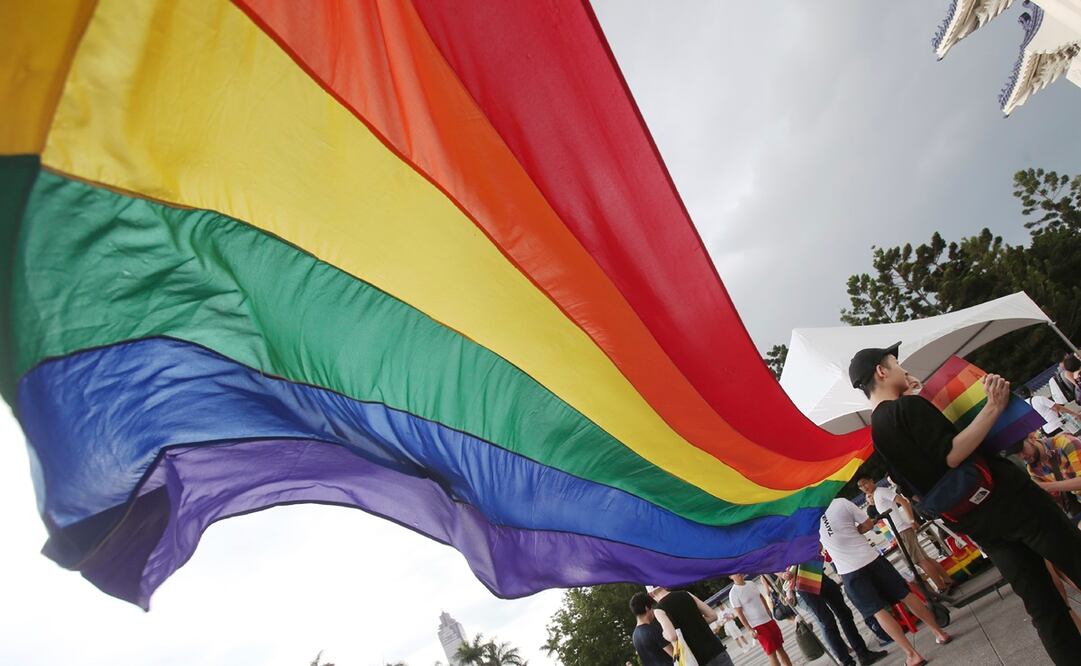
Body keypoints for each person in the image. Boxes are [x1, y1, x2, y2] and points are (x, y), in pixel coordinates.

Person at [851, 342, 1081, 666]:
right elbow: (951, 454)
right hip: (1009, 499)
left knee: (1043, 607)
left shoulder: (879, 432)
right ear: (881, 370)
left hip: (977, 521)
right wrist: (994, 406)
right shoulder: (908, 409)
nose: (902, 369)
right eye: (896, 362)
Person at [819, 496, 952, 666]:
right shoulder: (841, 502)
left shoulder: (808, 519)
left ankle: (912, 655)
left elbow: (816, 547)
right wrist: (855, 530)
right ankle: (939, 633)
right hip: (872, 558)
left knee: (878, 610)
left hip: (849, 571)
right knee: (905, 594)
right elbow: (868, 524)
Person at [857, 475, 954, 592]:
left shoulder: (881, 491)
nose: (864, 487)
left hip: (901, 529)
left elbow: (904, 501)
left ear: (871, 481)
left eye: (865, 483)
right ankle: (947, 580)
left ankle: (942, 587)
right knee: (925, 558)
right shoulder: (877, 495)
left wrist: (912, 520)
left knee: (920, 561)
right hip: (899, 530)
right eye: (861, 486)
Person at [780, 565, 887, 666]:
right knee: (828, 621)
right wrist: (782, 574)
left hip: (815, 570)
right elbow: (767, 564)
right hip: (802, 582)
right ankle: (847, 661)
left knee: (844, 613)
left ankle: (863, 653)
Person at [647, 585, 733, 666]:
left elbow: (672, 636)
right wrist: (696, 622)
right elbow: (713, 616)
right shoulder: (686, 594)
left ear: (651, 594)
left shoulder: (659, 610)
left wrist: (664, 634)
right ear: (663, 586)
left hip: (698, 659)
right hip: (717, 650)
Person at [728, 574, 792, 666]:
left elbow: (761, 597)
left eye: (739, 570)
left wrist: (768, 611)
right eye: (734, 573)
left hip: (768, 620)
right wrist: (749, 629)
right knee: (771, 653)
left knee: (780, 648)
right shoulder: (733, 593)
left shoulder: (750, 583)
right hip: (757, 625)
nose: (738, 573)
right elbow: (739, 613)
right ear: (730, 577)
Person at [629, 591, 674, 666]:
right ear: (647, 608)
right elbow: (674, 654)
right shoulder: (652, 630)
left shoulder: (634, 636)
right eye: (652, 607)